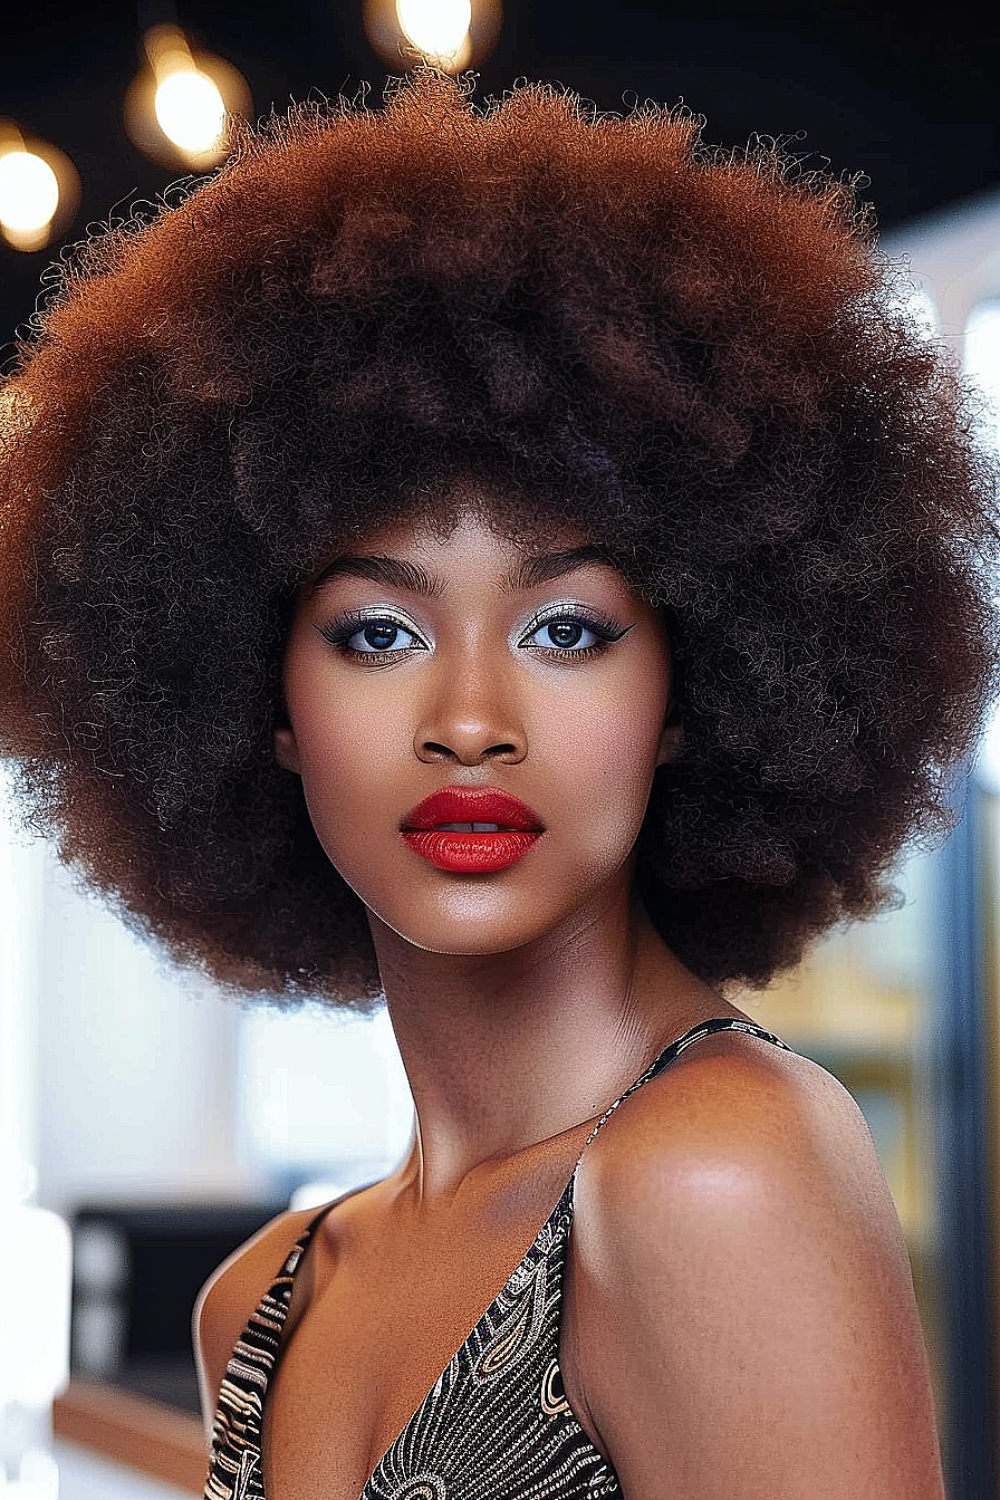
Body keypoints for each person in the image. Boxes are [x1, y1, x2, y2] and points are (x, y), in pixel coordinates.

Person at [1, 66, 995, 1500]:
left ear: (687, 693)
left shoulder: (716, 1174)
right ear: (258, 701)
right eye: (380, 633)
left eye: (569, 629)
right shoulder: (264, 1305)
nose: (471, 720)